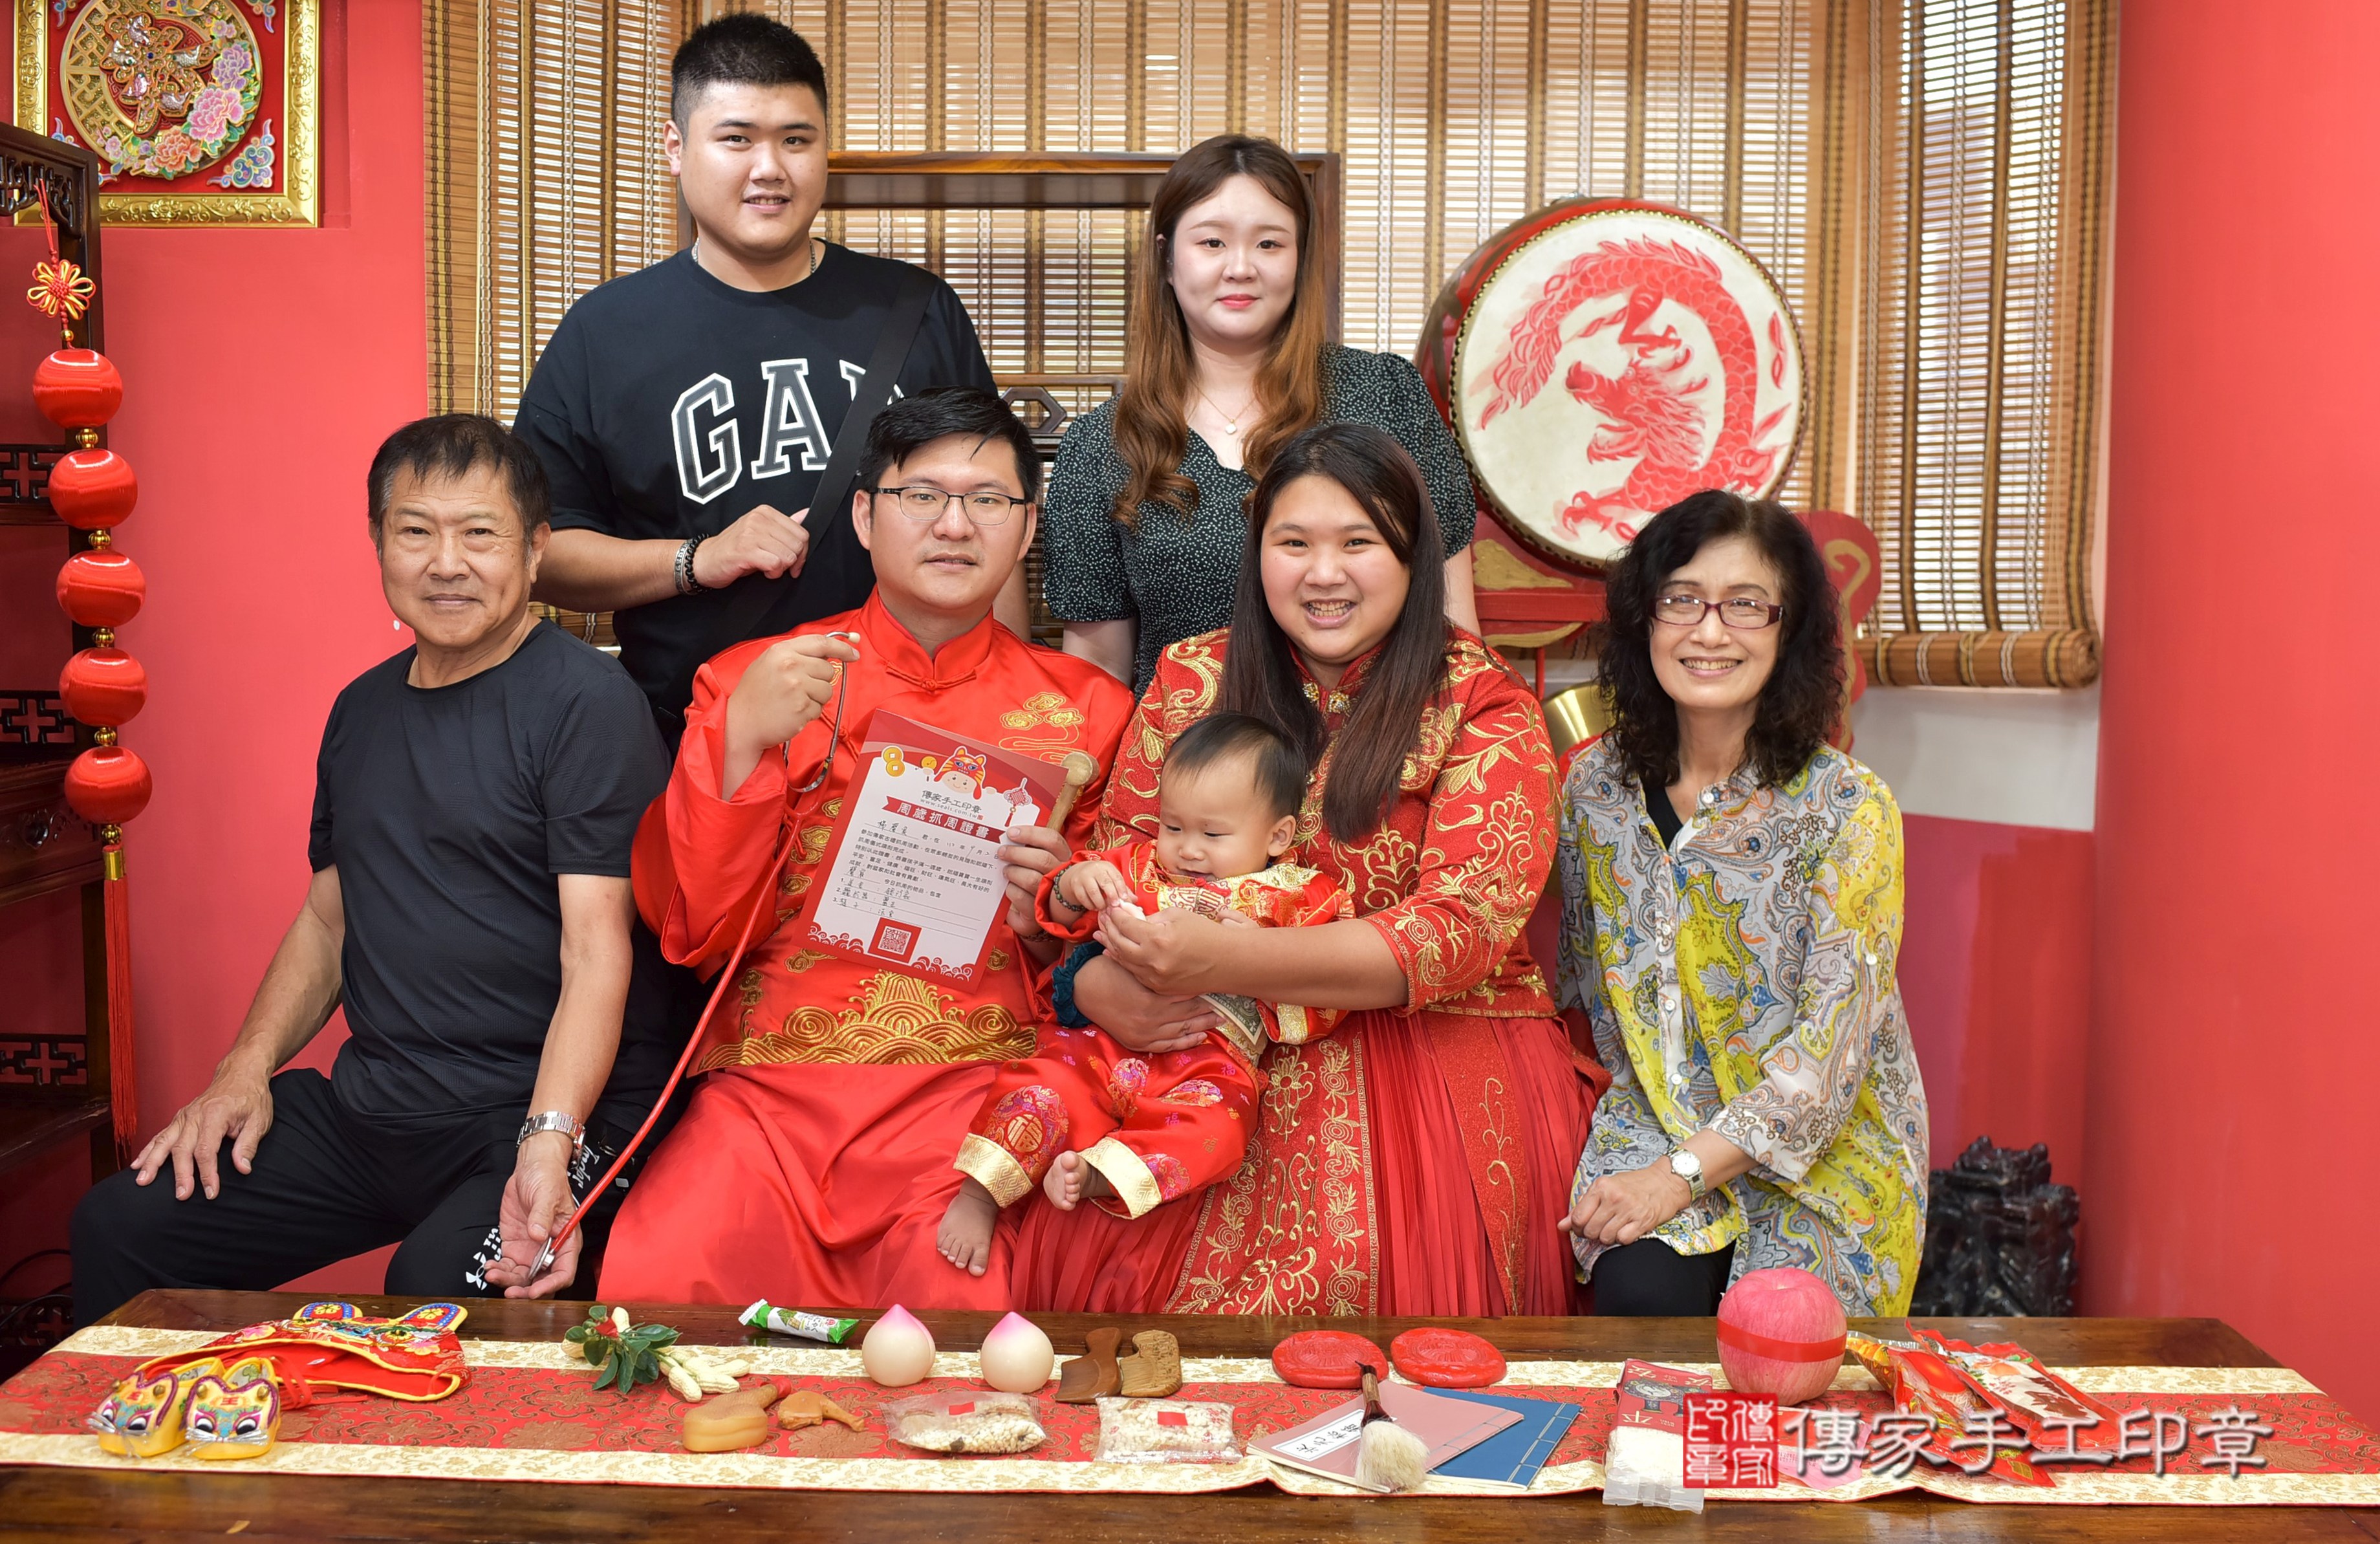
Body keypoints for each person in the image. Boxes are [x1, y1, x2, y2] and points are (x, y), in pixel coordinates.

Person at [70, 417, 676, 1325]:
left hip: (547, 1110)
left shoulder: (587, 704)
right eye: (415, 530)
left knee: (433, 1289)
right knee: (122, 1225)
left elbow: (597, 952)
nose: (446, 562)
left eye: (480, 533)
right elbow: (327, 921)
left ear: (536, 548)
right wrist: (242, 1069)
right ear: (379, 542)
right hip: (382, 1105)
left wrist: (549, 1140)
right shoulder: (360, 710)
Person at [1012, 422, 1602, 1317]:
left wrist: (1226, 960)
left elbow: (1459, 930)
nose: (1324, 574)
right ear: (1257, 554)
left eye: (1358, 542)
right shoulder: (1191, 676)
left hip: (1426, 1047)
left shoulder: (1484, 702)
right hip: (1188, 1039)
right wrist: (1092, 983)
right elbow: (1119, 860)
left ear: (1411, 554)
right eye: (1293, 543)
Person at [596, 387, 1135, 1310]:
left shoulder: (1088, 711)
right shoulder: (753, 679)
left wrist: (1043, 920)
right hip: (769, 1095)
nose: (954, 525)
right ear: (863, 515)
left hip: (975, 1092)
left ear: (1026, 526)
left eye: (988, 500)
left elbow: (1104, 962)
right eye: (921, 495)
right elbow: (691, 927)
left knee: (964, 1306)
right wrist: (741, 741)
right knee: (661, 1277)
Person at [516, 14, 1001, 743]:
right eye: (737, 138)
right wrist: (698, 559)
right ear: (676, 149)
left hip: (908, 738)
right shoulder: (603, 331)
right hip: (698, 738)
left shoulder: (917, 308)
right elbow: (542, 551)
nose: (770, 167)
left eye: (796, 140)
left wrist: (1002, 720)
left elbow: (993, 517)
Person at [1555, 490, 1929, 1316]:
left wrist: (1676, 1177)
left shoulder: (1849, 808)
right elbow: (1576, 984)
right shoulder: (1592, 788)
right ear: (1644, 619)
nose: (1709, 630)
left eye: (1745, 604)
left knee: (1783, 1336)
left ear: (1787, 630)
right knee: (1637, 1293)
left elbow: (1827, 1063)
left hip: (1822, 1159)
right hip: (1652, 1123)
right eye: (1681, 599)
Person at [1041, 134, 1482, 697]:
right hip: (1185, 747)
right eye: (1213, 242)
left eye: (1269, 243)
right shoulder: (1103, 443)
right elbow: (1098, 670)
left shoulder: (1385, 395)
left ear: (1301, 258)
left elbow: (1454, 626)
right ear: (1167, 260)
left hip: (1374, 741)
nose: (1241, 268)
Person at [936, 711, 1352, 1276]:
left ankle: (1103, 1175)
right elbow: (1064, 912)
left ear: (1278, 836)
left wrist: (1260, 953)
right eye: (1173, 827)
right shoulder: (1136, 866)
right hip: (1097, 1042)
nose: (1188, 850)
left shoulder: (1302, 897)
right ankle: (978, 1195)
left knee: (1221, 1128)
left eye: (1213, 834)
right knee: (1042, 1086)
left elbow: (1324, 990)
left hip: (1210, 1064)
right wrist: (1073, 884)